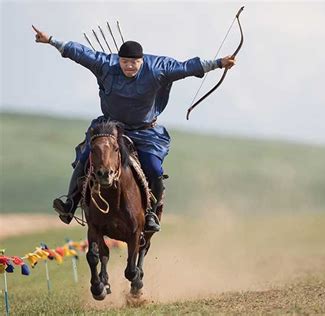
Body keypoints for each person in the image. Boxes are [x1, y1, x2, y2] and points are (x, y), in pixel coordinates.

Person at [32, 25, 236, 232]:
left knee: (154, 169)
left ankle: (151, 215)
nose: (129, 66)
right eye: (124, 62)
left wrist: (219, 63)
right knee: (86, 158)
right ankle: (70, 205)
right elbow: (80, 53)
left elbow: (187, 68)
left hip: (145, 132)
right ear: (118, 59)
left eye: (134, 62)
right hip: (111, 128)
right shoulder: (105, 65)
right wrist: (51, 40)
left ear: (142, 61)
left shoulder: (158, 69)